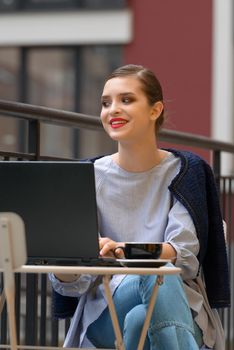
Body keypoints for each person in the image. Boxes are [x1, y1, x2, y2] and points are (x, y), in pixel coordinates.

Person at [49, 64, 230, 349]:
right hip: (106, 311)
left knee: (141, 316)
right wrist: (75, 255)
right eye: (106, 103)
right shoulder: (88, 176)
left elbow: (182, 254)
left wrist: (122, 249)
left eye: (127, 100)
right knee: (157, 276)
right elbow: (70, 283)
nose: (113, 110)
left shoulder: (185, 171)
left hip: (181, 306)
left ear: (155, 110)